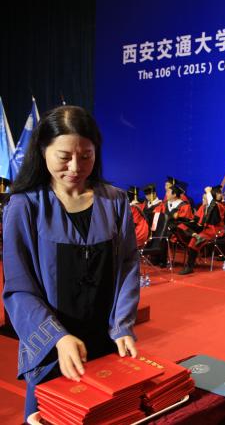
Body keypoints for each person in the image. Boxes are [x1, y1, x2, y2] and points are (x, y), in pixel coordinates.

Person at [2, 105, 140, 420]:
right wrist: (57, 338)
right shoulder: (24, 206)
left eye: (86, 156)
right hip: (55, 350)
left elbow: (128, 266)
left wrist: (123, 324)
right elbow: (19, 288)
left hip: (107, 342)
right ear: (42, 150)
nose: (76, 167)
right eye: (64, 157)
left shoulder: (114, 201)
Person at [176, 185, 225, 275]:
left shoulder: (219, 206)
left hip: (213, 230)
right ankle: (194, 235)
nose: (203, 200)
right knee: (180, 225)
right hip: (203, 229)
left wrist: (208, 192)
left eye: (205, 198)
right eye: (203, 198)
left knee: (193, 241)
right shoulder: (203, 207)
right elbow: (196, 219)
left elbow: (212, 205)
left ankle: (189, 267)